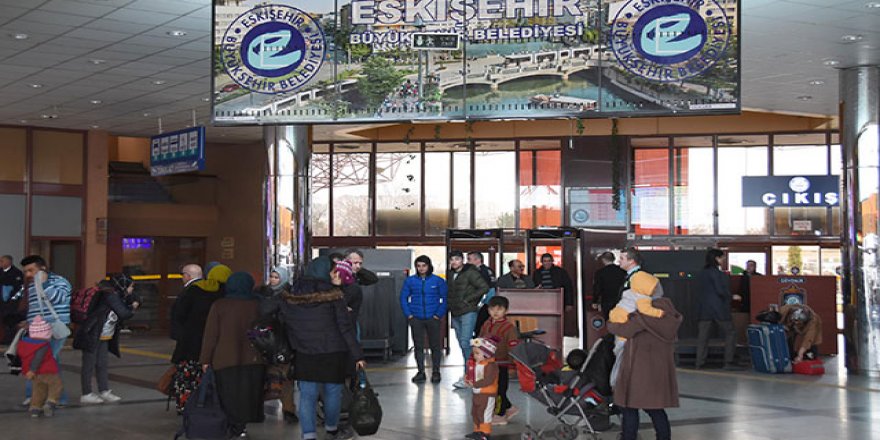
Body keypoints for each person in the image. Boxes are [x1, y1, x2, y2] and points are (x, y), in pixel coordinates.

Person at [262, 256, 365, 440]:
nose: (336, 275)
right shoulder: (334, 297)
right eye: (333, 272)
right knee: (333, 392)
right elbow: (345, 328)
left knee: (307, 394)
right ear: (326, 273)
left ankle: (308, 434)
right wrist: (357, 355)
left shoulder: (291, 296)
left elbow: (266, 310)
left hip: (303, 352)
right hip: (332, 352)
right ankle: (331, 429)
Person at [607, 295, 682, 440]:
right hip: (659, 372)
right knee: (656, 409)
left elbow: (622, 329)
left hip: (638, 372)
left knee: (629, 408)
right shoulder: (669, 318)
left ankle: (629, 437)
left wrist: (610, 322)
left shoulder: (642, 317)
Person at [200, 272, 266, 438]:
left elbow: (211, 335)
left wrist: (206, 359)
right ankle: (241, 426)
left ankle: (231, 425)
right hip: (254, 358)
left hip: (225, 359)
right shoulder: (258, 304)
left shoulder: (220, 305)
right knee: (247, 394)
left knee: (227, 394)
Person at [74, 274, 137, 404]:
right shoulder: (110, 296)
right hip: (92, 333)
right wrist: (133, 307)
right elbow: (124, 313)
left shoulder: (113, 294)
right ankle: (86, 393)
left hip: (103, 334)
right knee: (89, 365)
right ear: (123, 285)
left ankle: (104, 390)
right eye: (131, 287)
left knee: (102, 363)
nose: (132, 290)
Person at [169, 263, 224, 412]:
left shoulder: (192, 292)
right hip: (208, 345)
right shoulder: (219, 294)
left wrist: (178, 336)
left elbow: (178, 316)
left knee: (188, 377)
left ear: (187, 276)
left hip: (189, 345)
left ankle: (187, 406)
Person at [19, 256, 71, 407]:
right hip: (37, 330)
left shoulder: (60, 282)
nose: (28, 274)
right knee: (47, 361)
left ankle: (42, 397)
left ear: (42, 268)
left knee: (42, 361)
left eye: (31, 270)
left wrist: (43, 283)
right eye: (25, 271)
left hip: (54, 328)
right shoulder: (31, 285)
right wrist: (28, 323)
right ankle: (51, 397)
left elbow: (58, 298)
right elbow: (35, 308)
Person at [256, 265, 298, 423]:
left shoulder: (287, 296)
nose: (272, 280)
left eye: (276, 277)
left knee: (285, 377)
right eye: (272, 277)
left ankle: (288, 409)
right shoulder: (263, 293)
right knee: (269, 376)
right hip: (266, 341)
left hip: (283, 342)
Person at [400, 255, 447, 384]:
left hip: (433, 318)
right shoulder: (410, 281)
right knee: (418, 346)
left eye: (424, 266)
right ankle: (421, 372)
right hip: (416, 318)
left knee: (435, 346)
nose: (421, 268)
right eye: (418, 266)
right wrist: (409, 314)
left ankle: (436, 372)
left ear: (429, 266)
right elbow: (403, 298)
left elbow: (445, 299)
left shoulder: (438, 281)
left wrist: (438, 314)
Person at [447, 250, 490, 390]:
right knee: (463, 344)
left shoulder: (470, 272)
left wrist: (469, 300)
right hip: (455, 312)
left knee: (466, 342)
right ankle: (473, 373)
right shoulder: (451, 274)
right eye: (452, 260)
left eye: (457, 259)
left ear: (462, 260)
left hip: (468, 312)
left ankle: (469, 376)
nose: (454, 262)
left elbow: (484, 287)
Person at [695, 249, 738, 369]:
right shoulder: (719, 274)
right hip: (719, 309)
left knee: (703, 337)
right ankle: (728, 362)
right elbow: (720, 291)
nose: (723, 260)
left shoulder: (701, 274)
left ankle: (700, 362)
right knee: (731, 333)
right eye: (722, 257)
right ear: (717, 259)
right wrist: (732, 296)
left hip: (704, 310)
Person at [478, 296, 519, 424]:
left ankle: (500, 415)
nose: (495, 312)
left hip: (503, 363)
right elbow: (480, 339)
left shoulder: (509, 328)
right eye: (492, 309)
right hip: (489, 363)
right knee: (492, 388)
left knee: (500, 390)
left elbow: (513, 348)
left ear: (506, 311)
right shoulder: (486, 324)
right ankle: (509, 408)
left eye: (499, 309)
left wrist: (512, 365)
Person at [18, 316, 62, 418]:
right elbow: (38, 359)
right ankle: (50, 402)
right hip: (47, 370)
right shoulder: (42, 345)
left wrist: (29, 371)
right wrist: (32, 370)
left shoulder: (26, 344)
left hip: (35, 373)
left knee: (38, 390)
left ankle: (35, 409)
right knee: (56, 385)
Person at [464, 337, 499, 440]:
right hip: (477, 393)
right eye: (474, 353)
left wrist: (475, 384)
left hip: (487, 394)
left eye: (477, 353)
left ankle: (485, 433)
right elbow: (472, 374)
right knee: (475, 412)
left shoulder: (491, 366)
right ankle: (477, 430)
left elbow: (488, 380)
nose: (475, 355)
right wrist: (467, 378)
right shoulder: (477, 364)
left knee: (484, 413)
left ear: (487, 354)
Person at [468, 251, 496, 339]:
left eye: (469, 259)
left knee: (479, 326)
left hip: (483, 301)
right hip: (490, 302)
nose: (467, 262)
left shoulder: (479, 272)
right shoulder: (489, 270)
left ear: (477, 260)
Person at [592, 252, 627, 320]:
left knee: (608, 319)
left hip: (606, 300)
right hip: (622, 300)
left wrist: (595, 301)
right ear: (613, 259)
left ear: (603, 260)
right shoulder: (622, 271)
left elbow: (597, 288)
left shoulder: (600, 273)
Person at [0, 254, 24, 344]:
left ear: (9, 262)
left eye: (2, 261)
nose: (0, 263)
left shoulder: (17, 273)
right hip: (1, 302)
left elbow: (20, 288)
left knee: (10, 321)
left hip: (12, 302)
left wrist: (14, 299)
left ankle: (10, 339)